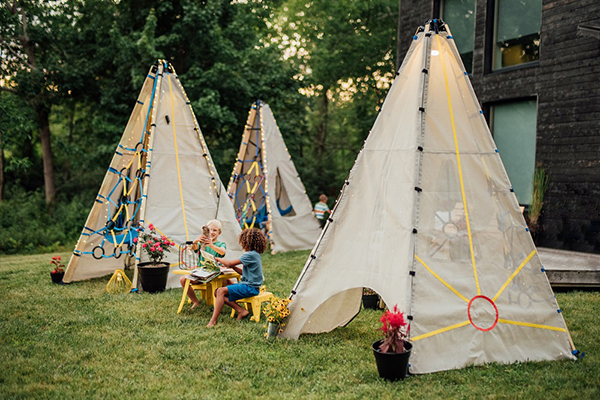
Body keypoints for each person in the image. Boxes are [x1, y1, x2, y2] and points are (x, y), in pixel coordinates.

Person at [207, 228, 268, 327]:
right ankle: (241, 311)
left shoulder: (250, 255)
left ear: (247, 242)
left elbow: (229, 263)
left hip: (250, 288)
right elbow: (243, 273)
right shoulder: (254, 255)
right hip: (248, 286)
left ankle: (213, 321)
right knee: (217, 292)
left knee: (220, 291)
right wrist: (232, 267)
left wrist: (217, 259)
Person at [179, 219, 226, 309]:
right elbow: (194, 248)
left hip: (213, 274)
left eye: (215, 230)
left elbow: (222, 252)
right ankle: (195, 301)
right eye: (210, 230)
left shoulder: (220, 244)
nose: (212, 232)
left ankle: (226, 300)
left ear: (219, 233)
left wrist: (212, 245)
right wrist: (196, 241)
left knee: (227, 281)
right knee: (183, 279)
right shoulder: (202, 244)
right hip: (201, 273)